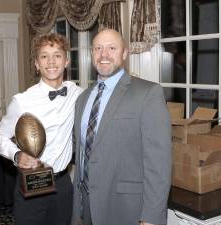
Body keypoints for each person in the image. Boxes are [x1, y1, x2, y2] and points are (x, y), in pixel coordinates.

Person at [71, 29, 172, 225]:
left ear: (124, 54)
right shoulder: (83, 99)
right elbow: (83, 155)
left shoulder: (148, 93)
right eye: (98, 48)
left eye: (112, 48)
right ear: (92, 54)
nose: (104, 54)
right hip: (87, 207)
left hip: (127, 209)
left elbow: (159, 163)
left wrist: (151, 217)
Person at [0, 33, 83, 225]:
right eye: (44, 56)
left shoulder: (77, 93)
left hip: (63, 185)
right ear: (36, 63)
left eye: (57, 55)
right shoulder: (22, 100)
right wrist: (17, 156)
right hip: (32, 185)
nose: (51, 61)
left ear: (66, 60)